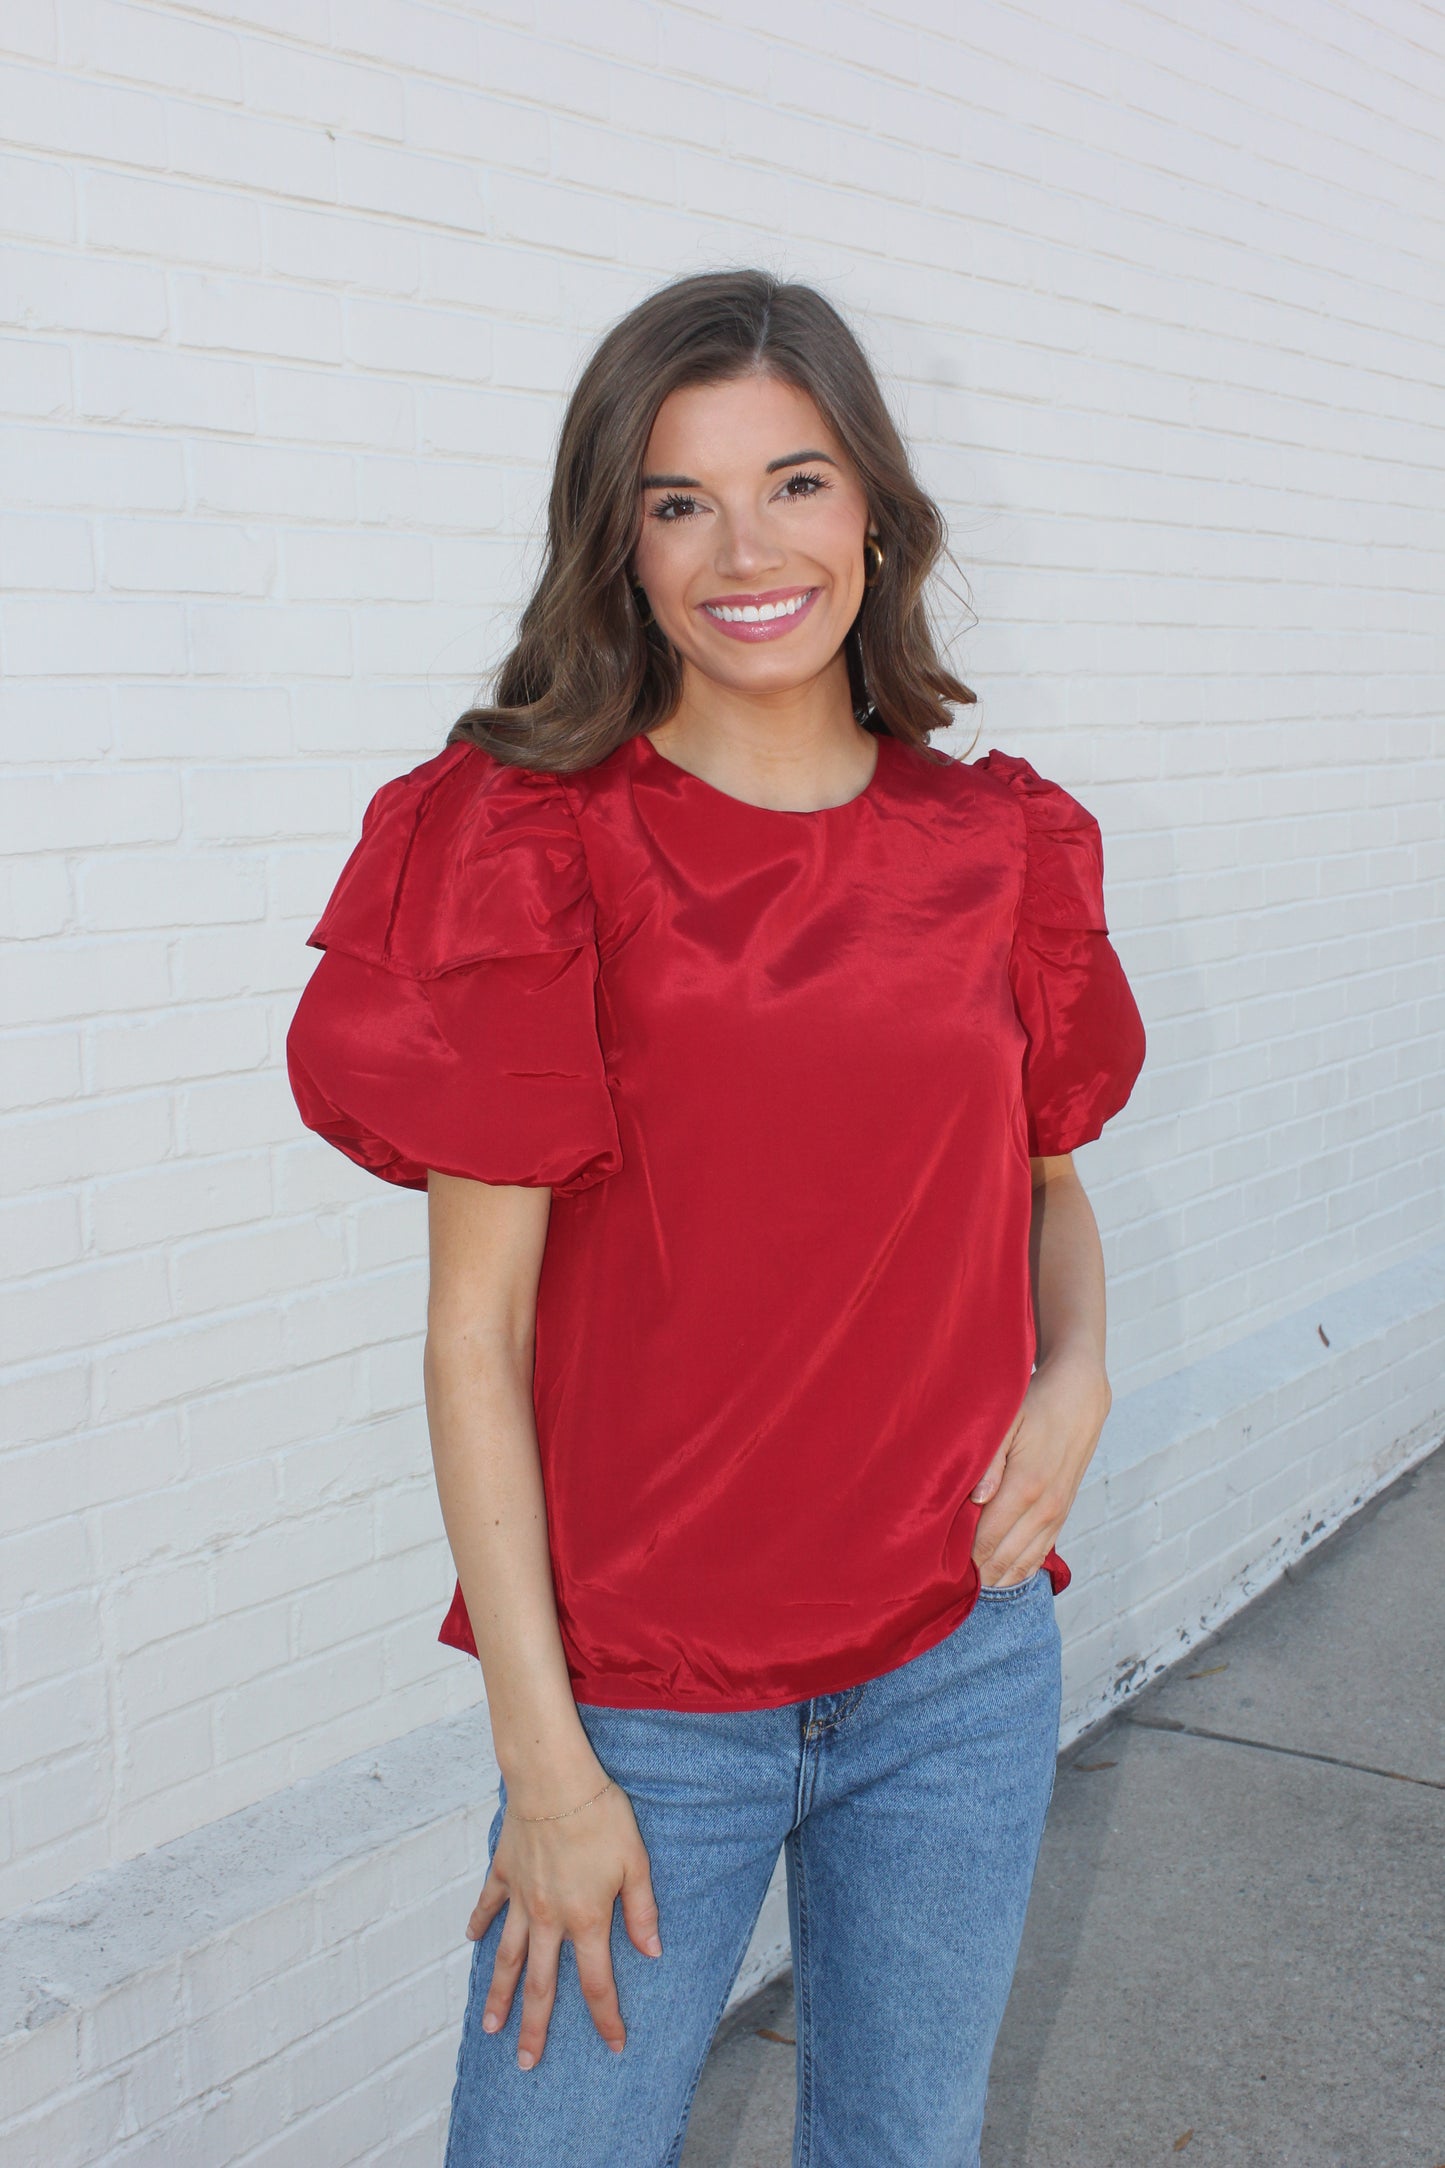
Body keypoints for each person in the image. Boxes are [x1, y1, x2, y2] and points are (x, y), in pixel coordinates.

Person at [286, 267, 1147, 2168]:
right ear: (618, 537)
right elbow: (473, 1335)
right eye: (679, 501)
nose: (744, 548)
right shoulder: (533, 842)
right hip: (639, 1712)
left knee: (902, 2149)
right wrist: (546, 1762)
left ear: (876, 514)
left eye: (796, 481)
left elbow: (1046, 1184)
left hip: (956, 1660)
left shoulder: (1000, 843)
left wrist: (1076, 1370)